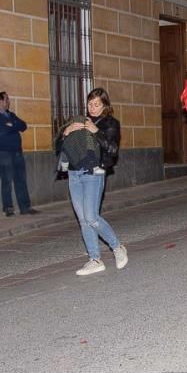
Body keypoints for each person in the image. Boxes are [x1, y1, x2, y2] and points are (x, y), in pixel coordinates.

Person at [56, 88, 126, 276]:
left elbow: (112, 149)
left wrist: (97, 132)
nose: (92, 108)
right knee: (83, 220)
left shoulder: (110, 123)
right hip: (74, 174)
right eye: (90, 104)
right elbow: (59, 148)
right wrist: (66, 132)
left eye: (97, 105)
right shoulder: (79, 121)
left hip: (94, 173)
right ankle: (95, 259)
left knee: (92, 217)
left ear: (105, 106)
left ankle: (117, 247)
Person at [0, 91, 38, 217]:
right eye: (6, 99)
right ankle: (8, 208)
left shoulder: (11, 115)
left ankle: (25, 207)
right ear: (0, 101)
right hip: (4, 152)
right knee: (7, 180)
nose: (8, 101)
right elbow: (1, 131)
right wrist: (12, 127)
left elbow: (23, 126)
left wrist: (12, 125)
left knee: (21, 180)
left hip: (17, 152)